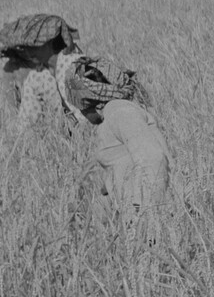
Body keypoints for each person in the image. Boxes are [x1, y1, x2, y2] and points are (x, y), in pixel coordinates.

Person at [58, 54, 170, 209]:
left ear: (90, 101)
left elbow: (153, 159)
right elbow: (125, 165)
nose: (81, 113)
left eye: (80, 107)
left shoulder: (119, 112)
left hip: (146, 216)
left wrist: (142, 213)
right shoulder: (112, 114)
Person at [0, 13, 81, 123]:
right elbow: (15, 111)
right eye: (23, 48)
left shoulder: (56, 60)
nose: (27, 51)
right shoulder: (19, 72)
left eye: (30, 46)